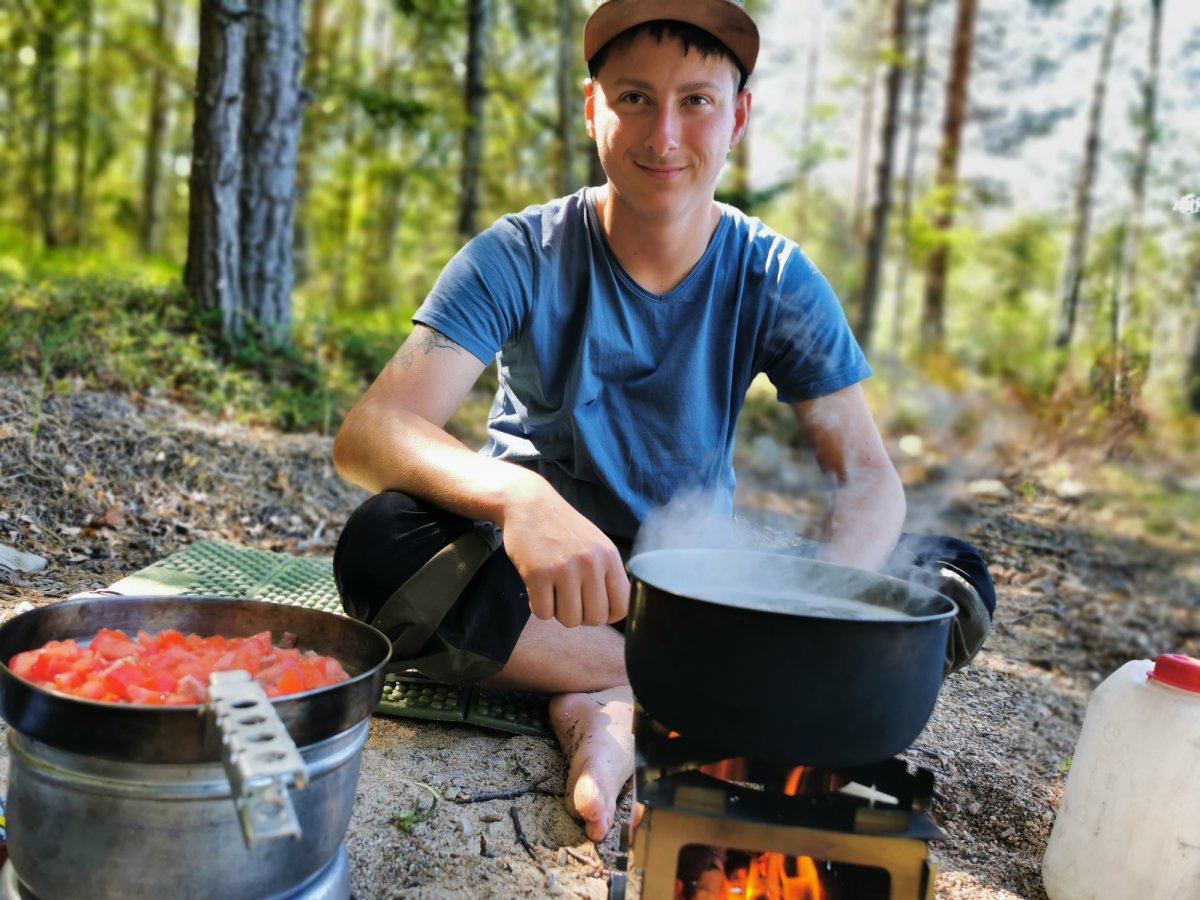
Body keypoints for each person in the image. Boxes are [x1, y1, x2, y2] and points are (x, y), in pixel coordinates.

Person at [331, 0, 995, 843]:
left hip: (701, 591)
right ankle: (682, 690)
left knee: (950, 579)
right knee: (381, 547)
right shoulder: (519, 253)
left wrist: (813, 615)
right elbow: (374, 431)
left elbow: (869, 480)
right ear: (592, 108)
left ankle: (616, 691)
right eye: (634, 98)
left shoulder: (774, 274)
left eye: (697, 101)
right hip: (537, 587)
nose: (664, 135)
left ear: (738, 116)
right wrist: (519, 500)